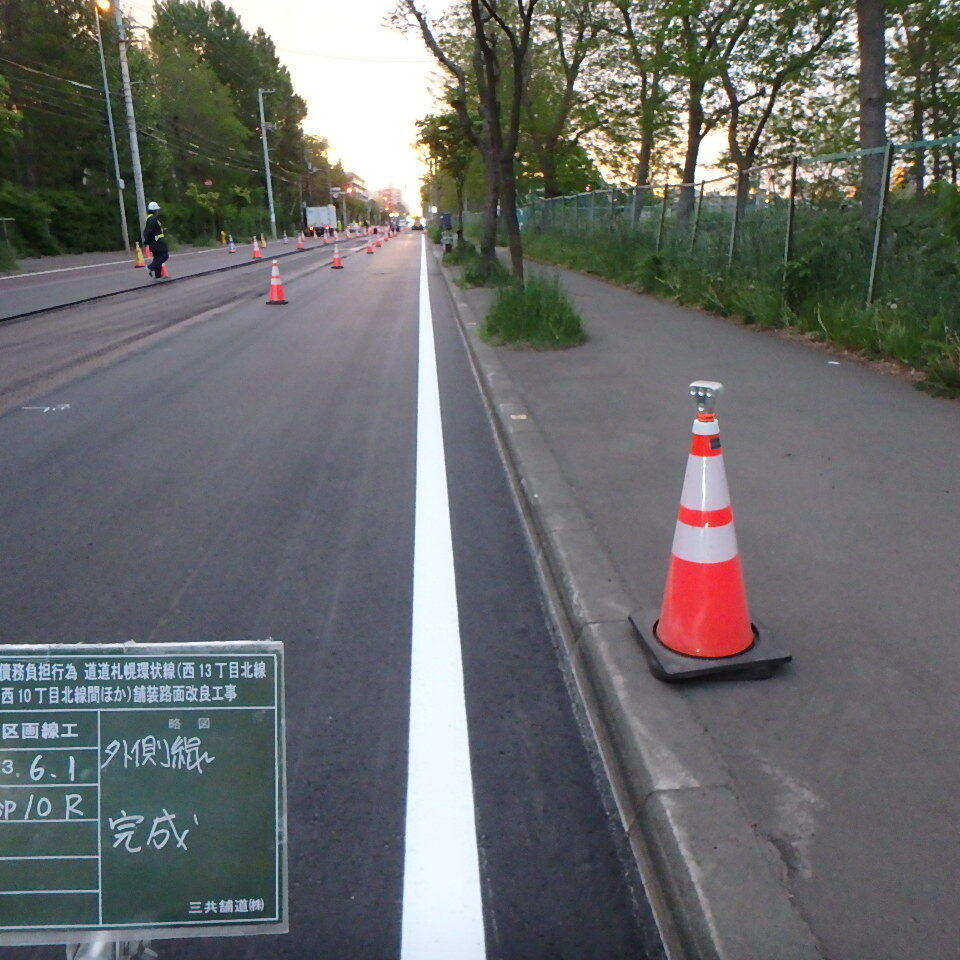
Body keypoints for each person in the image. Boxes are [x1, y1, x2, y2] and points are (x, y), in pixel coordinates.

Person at [142, 201, 169, 279]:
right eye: (157, 210)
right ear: (155, 210)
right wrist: (146, 241)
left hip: (154, 241)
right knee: (164, 255)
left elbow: (150, 230)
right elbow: (148, 231)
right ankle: (151, 267)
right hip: (157, 241)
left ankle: (158, 276)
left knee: (157, 257)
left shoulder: (150, 218)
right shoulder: (153, 219)